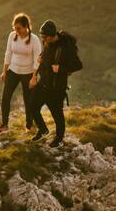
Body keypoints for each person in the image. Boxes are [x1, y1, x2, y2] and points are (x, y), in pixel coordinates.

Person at [30, 19, 82, 147]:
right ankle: (43, 129)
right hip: (44, 82)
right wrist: (40, 59)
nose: (42, 39)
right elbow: (47, 54)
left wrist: (61, 68)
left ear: (51, 36)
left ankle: (58, 139)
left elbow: (78, 65)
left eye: (44, 37)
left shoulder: (66, 46)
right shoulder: (47, 41)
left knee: (57, 113)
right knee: (32, 106)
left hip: (56, 86)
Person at [0, 13, 42, 132]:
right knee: (5, 97)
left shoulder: (34, 39)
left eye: (19, 28)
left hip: (28, 73)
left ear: (26, 26)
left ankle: (28, 125)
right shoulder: (12, 36)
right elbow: (8, 53)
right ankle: (4, 125)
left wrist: (34, 77)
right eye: (14, 28)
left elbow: (37, 60)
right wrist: (4, 71)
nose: (16, 31)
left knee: (28, 100)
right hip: (13, 71)